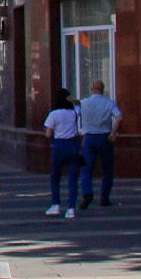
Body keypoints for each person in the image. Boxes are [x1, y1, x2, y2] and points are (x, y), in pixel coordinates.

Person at [75, 78, 122, 209]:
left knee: (86, 168)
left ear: (91, 89)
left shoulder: (83, 103)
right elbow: (119, 118)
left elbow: (74, 115)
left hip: (89, 138)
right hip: (104, 138)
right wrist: (113, 132)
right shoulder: (109, 103)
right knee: (107, 169)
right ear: (103, 90)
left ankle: (87, 193)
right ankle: (104, 198)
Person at [43, 88, 84, 218]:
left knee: (55, 176)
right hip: (73, 146)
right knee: (73, 179)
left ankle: (55, 205)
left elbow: (48, 134)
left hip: (59, 146)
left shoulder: (53, 114)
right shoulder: (73, 113)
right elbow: (79, 104)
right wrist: (72, 100)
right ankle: (71, 209)